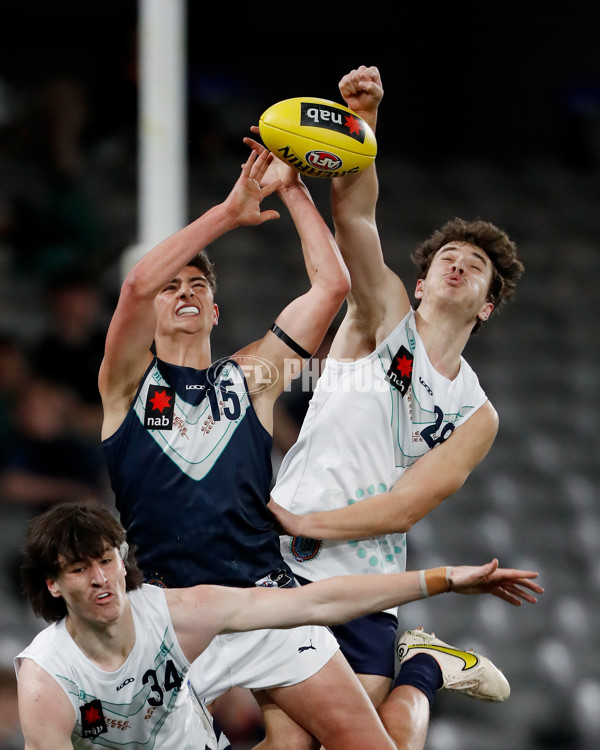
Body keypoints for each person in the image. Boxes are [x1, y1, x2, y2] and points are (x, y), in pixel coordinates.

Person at [100, 143, 402, 750]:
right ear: (154, 308)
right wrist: (231, 211)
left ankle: (423, 670)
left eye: (197, 286)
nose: (183, 292)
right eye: (172, 287)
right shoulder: (126, 385)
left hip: (266, 600)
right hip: (171, 615)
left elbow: (333, 284)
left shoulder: (252, 379)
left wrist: (292, 188)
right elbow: (135, 285)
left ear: (215, 310)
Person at [267, 65, 526, 749]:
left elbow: (408, 506)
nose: (458, 263)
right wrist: (362, 126)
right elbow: (354, 215)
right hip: (292, 563)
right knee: (292, 743)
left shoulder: (478, 415)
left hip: (369, 581)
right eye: (448, 253)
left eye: (475, 264)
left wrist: (308, 519)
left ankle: (426, 668)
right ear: (418, 282)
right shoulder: (381, 316)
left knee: (387, 741)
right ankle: (429, 666)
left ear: (488, 304)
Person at [14, 501, 542, 750]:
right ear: (54, 585)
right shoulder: (46, 679)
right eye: (80, 569)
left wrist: (444, 579)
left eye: (106, 560)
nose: (101, 579)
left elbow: (316, 603)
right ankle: (425, 666)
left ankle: (424, 666)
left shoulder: (173, 614)